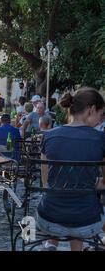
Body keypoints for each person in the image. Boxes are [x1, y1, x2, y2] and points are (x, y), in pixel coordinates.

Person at [37, 87, 105, 251]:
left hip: (48, 219)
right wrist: (95, 184)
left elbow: (46, 183)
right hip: (86, 222)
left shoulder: (48, 136)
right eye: (101, 114)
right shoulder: (100, 139)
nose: (101, 120)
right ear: (91, 110)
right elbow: (104, 184)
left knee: (63, 199)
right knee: (83, 208)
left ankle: (51, 244)